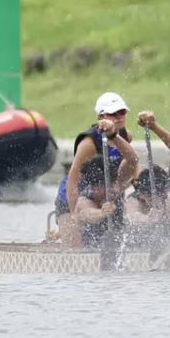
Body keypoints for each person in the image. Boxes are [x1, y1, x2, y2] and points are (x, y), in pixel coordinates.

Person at [54, 92, 132, 245]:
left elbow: (128, 168)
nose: (119, 117)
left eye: (122, 112)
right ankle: (63, 236)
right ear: (101, 117)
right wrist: (73, 215)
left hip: (102, 191)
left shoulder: (125, 136)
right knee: (75, 246)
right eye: (112, 113)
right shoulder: (89, 143)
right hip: (75, 191)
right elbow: (73, 179)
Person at [73, 123, 139, 248]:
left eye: (99, 185)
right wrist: (102, 213)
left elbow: (133, 160)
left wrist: (147, 218)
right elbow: (84, 213)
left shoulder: (116, 186)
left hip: (119, 245)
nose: (94, 189)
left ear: (111, 182)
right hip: (92, 249)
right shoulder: (85, 199)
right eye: (92, 185)